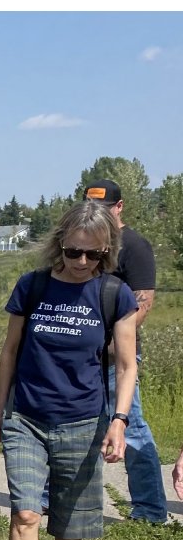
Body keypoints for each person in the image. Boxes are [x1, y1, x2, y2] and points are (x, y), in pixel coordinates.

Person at [0, 199, 139, 540]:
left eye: (93, 255)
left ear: (105, 254)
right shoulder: (31, 288)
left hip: (85, 422)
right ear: (59, 246)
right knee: (26, 513)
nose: (82, 262)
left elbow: (126, 366)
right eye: (74, 252)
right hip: (27, 418)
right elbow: (9, 351)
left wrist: (120, 422)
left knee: (70, 527)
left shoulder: (114, 295)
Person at [83, 179, 166, 522]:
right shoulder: (83, 243)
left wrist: (119, 345)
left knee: (130, 429)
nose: (98, 215)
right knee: (72, 424)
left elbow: (144, 301)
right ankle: (52, 497)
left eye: (105, 209)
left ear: (119, 208)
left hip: (118, 357)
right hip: (82, 353)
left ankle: (149, 509)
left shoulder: (134, 245)